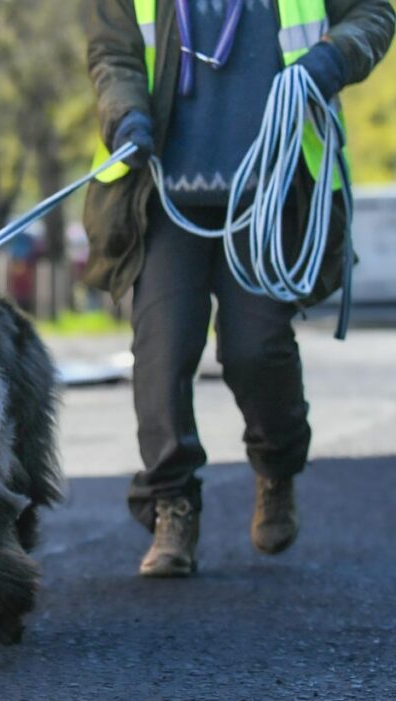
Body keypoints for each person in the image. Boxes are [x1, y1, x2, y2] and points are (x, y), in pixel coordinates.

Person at [83, 0, 394, 577]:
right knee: (163, 351)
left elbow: (374, 14)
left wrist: (329, 63)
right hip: (165, 197)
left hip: (270, 189)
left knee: (256, 351)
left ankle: (276, 466)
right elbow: (113, 51)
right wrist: (125, 113)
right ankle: (171, 505)